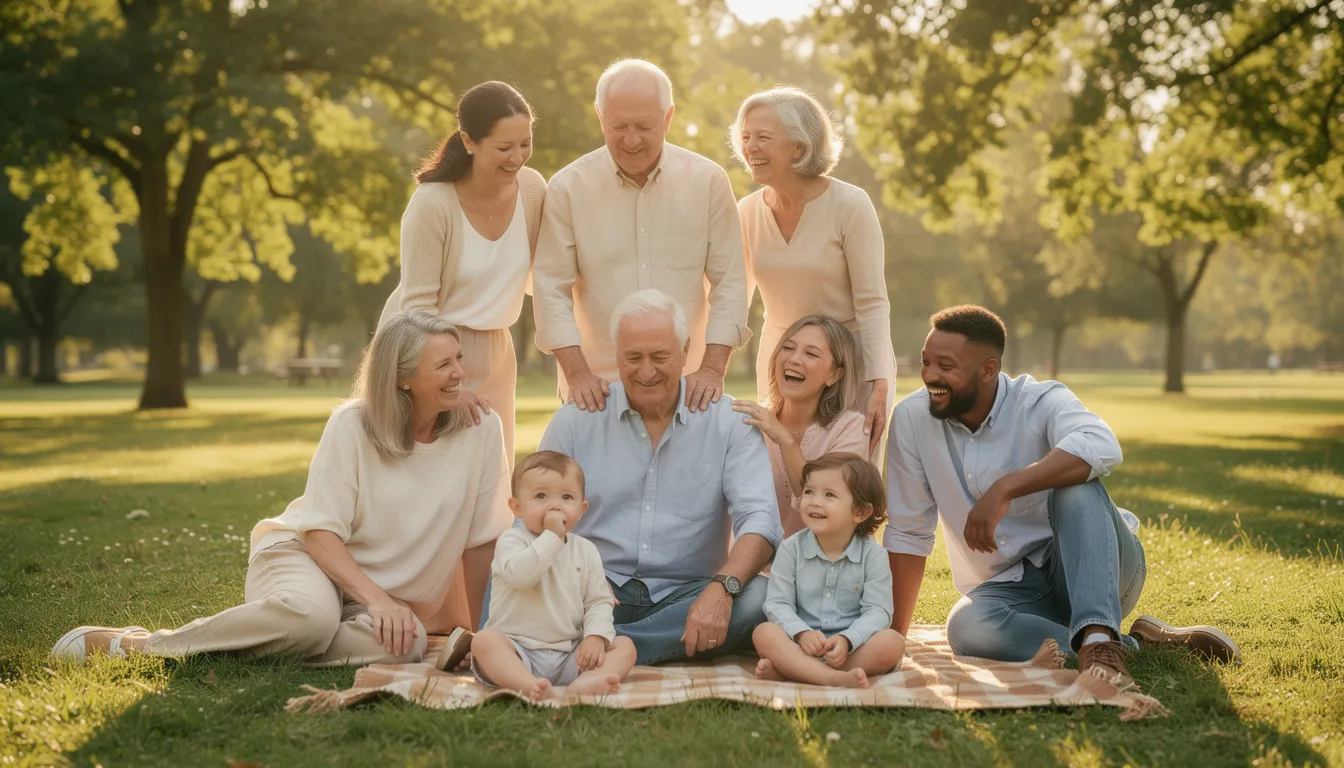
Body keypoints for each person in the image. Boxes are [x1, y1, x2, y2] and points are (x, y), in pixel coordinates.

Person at [52, 312, 511, 668]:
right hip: (305, 556)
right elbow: (317, 533)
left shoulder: (481, 429)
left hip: (368, 599)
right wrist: (378, 599)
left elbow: (481, 541)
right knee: (312, 619)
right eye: (444, 364)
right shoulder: (352, 425)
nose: (460, 373)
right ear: (401, 378)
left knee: (408, 642)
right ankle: (140, 646)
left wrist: (485, 634)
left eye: (459, 359)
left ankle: (270, 637)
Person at [884, 305, 1240, 682]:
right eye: (925, 363)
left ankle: (1099, 634)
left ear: (988, 369)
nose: (929, 376)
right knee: (967, 629)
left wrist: (1006, 488)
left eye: (945, 366)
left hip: (1100, 567)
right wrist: (893, 637)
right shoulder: (911, 419)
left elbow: (1101, 445)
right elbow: (909, 531)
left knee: (1074, 484)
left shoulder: (1039, 401)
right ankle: (1117, 645)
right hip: (1011, 589)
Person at [536, 288, 782, 666]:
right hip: (590, 587)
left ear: (685, 350)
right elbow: (535, 515)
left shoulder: (728, 421)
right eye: (633, 357)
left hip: (687, 595)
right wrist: (576, 574)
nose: (646, 371)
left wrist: (723, 588)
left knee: (762, 595)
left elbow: (760, 520)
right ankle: (629, 643)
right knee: (511, 567)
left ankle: (594, 647)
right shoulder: (576, 419)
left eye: (660, 356)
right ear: (616, 354)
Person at [532, 59, 750, 414]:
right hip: (597, 390)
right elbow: (549, 289)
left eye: (644, 126)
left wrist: (711, 369)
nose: (630, 140)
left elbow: (731, 282)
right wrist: (578, 375)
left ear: (668, 118)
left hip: (690, 389)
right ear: (600, 117)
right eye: (617, 125)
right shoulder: (567, 189)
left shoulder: (708, 182)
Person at [378, 80, 546, 463]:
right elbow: (418, 309)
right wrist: (446, 380)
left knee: (492, 475)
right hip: (425, 351)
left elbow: (544, 279)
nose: (517, 157)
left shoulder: (533, 190)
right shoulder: (432, 204)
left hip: (496, 352)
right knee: (424, 468)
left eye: (525, 143)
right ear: (469, 142)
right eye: (504, 147)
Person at [731, 86, 895, 457]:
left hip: (847, 364)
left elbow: (872, 303)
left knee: (843, 483)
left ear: (800, 148)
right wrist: (707, 368)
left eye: (763, 137)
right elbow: (733, 301)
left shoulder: (851, 204)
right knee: (779, 471)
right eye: (745, 137)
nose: (750, 147)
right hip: (781, 360)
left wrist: (879, 385)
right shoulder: (746, 212)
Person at [472, 451, 637, 701]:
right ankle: (526, 684)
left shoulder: (586, 550)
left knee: (625, 647)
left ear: (581, 509)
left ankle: (586, 682)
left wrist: (595, 637)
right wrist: (552, 537)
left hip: (570, 653)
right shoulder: (511, 541)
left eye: (567, 497)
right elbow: (521, 576)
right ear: (516, 507)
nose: (554, 505)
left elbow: (598, 601)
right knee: (484, 642)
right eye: (540, 496)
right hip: (517, 650)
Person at [753, 453, 906, 688]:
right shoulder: (791, 548)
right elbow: (777, 603)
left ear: (860, 512)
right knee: (764, 632)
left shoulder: (874, 556)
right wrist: (802, 633)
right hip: (800, 643)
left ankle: (795, 671)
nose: (814, 501)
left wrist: (848, 639)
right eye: (809, 491)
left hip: (852, 649)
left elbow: (878, 611)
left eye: (830, 495)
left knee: (893, 642)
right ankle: (833, 677)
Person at [732, 315, 868, 537]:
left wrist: (785, 440)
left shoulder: (850, 428)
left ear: (834, 375)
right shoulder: (752, 422)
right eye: (788, 348)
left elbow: (824, 505)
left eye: (811, 353)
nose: (794, 359)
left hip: (821, 564)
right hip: (751, 560)